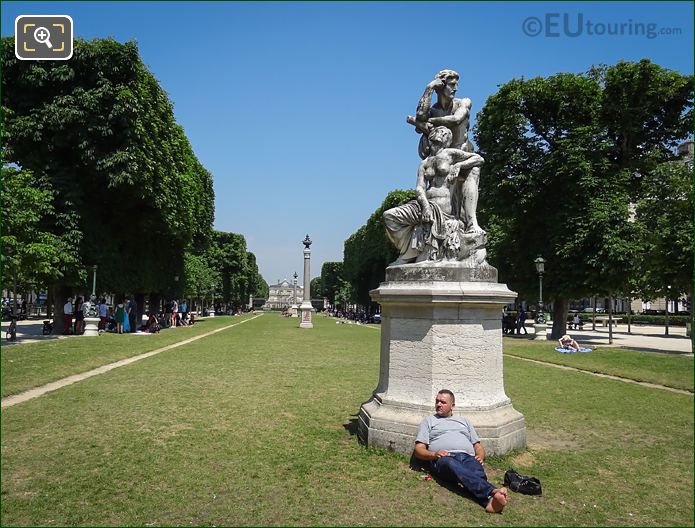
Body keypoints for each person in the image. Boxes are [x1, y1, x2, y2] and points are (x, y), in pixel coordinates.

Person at [383, 126, 485, 264]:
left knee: (474, 169)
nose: (440, 134)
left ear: (447, 140)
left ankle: (472, 223)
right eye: (438, 132)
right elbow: (419, 188)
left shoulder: (450, 153)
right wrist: (425, 206)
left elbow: (478, 159)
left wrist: (459, 165)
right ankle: (408, 252)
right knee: (389, 216)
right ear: (430, 138)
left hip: (444, 206)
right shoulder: (424, 163)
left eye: (444, 134)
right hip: (424, 204)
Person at [415, 390, 509, 513]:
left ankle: (490, 502)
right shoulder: (429, 421)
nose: (439, 404)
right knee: (451, 464)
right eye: (437, 401)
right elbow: (418, 449)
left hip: (467, 457)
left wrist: (480, 456)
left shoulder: (464, 421)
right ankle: (492, 491)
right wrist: (434, 454)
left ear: (452, 406)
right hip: (444, 459)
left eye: (443, 402)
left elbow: (478, 446)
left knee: (475, 469)